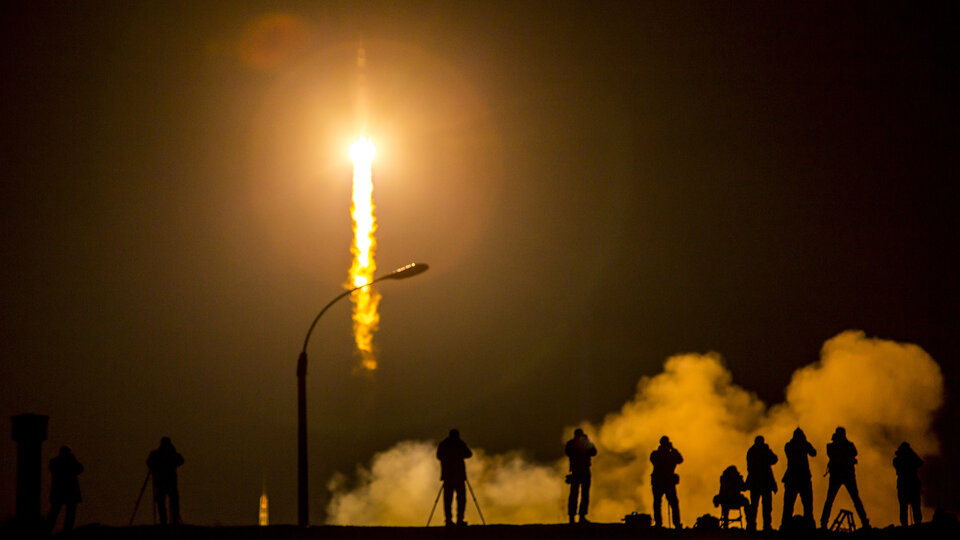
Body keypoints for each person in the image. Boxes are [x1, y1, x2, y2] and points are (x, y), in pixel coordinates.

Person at [820, 427, 869, 529]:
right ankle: (865, 522)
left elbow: (850, 453)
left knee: (830, 499)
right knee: (854, 499)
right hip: (846, 475)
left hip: (838, 475)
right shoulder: (846, 446)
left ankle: (823, 522)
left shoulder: (833, 446)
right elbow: (853, 453)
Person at [436, 429, 473, 526]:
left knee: (448, 499)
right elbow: (469, 454)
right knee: (461, 499)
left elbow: (439, 456)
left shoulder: (444, 444)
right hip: (459, 475)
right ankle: (459, 519)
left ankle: (448, 520)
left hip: (448, 476)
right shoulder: (459, 443)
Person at [781, 427, 817, 527]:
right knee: (807, 504)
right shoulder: (800, 445)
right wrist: (805, 443)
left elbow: (813, 453)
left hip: (792, 478)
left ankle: (785, 525)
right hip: (802, 478)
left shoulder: (789, 445)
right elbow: (813, 453)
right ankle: (809, 525)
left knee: (789, 504)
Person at [147, 437, 184, 525]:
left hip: (162, 482)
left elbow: (149, 462)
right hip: (169, 482)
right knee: (171, 501)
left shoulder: (157, 454)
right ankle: (173, 520)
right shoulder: (168, 454)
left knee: (163, 501)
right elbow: (181, 460)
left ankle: (165, 520)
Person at [745, 435, 778, 531]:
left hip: (756, 483)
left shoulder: (751, 451)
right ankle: (766, 526)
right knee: (766, 506)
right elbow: (774, 459)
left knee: (755, 505)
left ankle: (752, 525)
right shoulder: (764, 450)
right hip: (765, 482)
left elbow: (774, 459)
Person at [565, 428, 597, 524]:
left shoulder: (571, 443)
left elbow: (594, 452)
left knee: (576, 494)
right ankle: (580, 516)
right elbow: (593, 452)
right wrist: (587, 442)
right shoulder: (577, 444)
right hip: (582, 470)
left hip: (577, 470)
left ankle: (573, 517)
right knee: (582, 494)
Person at [650, 435, 683, 528]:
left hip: (666, 482)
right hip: (661, 482)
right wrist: (672, 450)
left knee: (672, 503)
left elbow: (680, 460)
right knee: (659, 503)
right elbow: (655, 460)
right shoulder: (656, 454)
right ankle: (660, 523)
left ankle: (675, 523)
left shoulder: (670, 454)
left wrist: (672, 449)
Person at [48, 446, 83, 532]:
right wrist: (73, 460)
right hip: (68, 491)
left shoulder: (54, 461)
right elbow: (80, 469)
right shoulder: (65, 462)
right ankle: (65, 531)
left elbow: (80, 469)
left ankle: (50, 530)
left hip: (59, 491)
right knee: (65, 513)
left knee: (56, 513)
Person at [893, 441, 923, 527]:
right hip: (911, 484)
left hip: (905, 485)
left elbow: (920, 463)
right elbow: (919, 463)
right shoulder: (898, 460)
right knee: (912, 507)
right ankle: (913, 524)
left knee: (907, 507)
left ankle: (907, 525)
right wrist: (912, 455)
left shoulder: (897, 460)